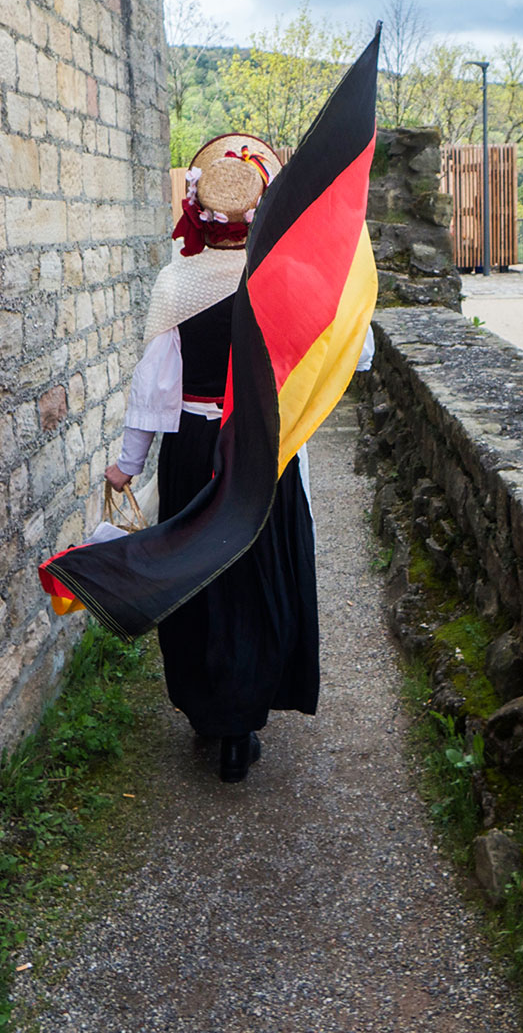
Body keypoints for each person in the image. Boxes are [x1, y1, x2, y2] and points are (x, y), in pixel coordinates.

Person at [104, 135, 373, 783]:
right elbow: (356, 355)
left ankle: (210, 711)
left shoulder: (176, 282)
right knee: (256, 577)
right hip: (263, 451)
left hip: (194, 452)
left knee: (197, 574)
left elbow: (155, 389)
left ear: (198, 211)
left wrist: (128, 465)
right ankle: (241, 725)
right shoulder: (287, 279)